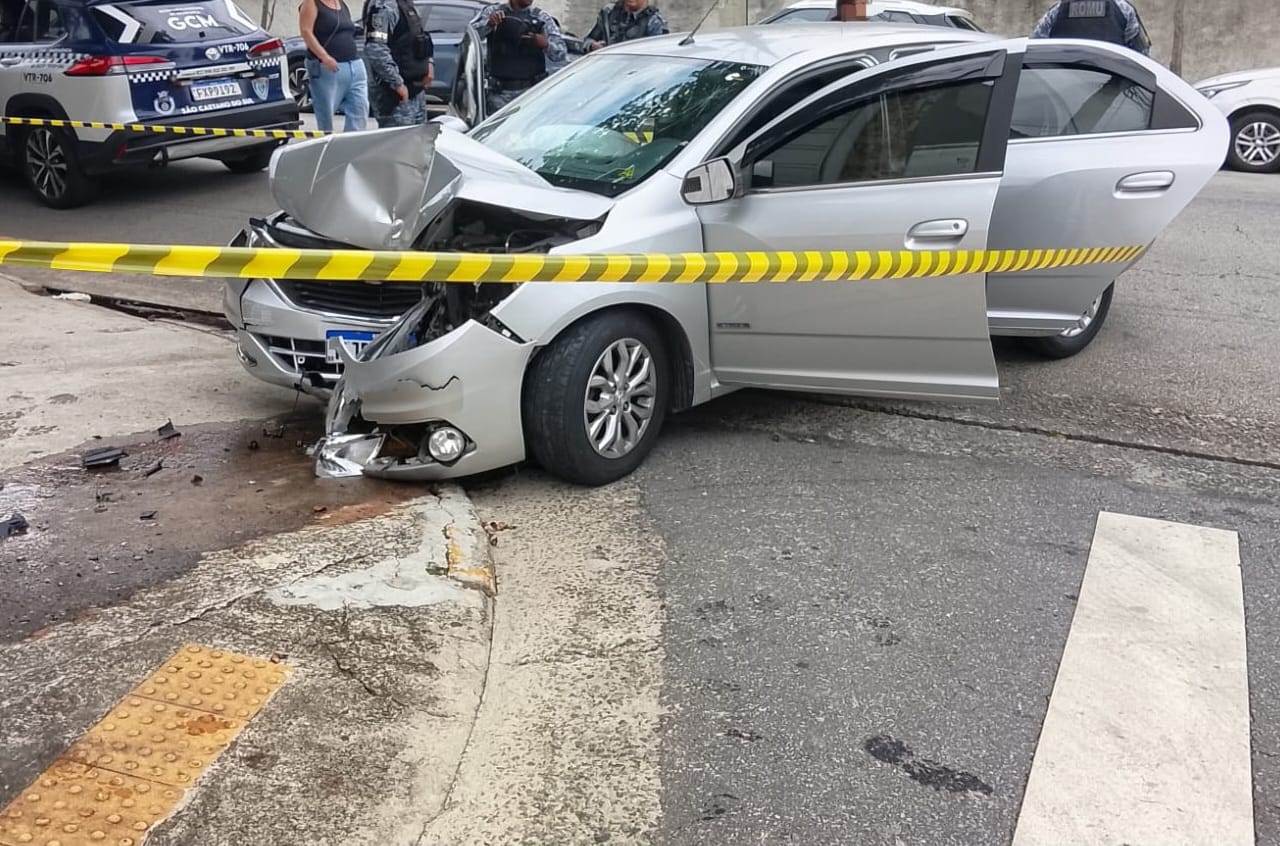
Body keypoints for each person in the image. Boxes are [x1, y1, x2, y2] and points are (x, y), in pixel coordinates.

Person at [471, 0, 566, 112]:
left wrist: (545, 44)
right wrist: (489, 25)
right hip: (499, 94)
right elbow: (472, 37)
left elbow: (560, 53)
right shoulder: (493, 12)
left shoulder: (541, 18)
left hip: (532, 94)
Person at [362, 0, 435, 127]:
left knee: (418, 138)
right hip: (395, 96)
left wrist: (429, 63)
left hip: (416, 90)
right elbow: (375, 49)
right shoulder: (384, 6)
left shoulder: (406, 4)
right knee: (399, 138)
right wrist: (397, 84)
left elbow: (420, 38)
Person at [299, 0, 368, 132]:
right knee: (326, 115)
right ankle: (327, 141)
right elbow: (306, 31)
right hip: (328, 68)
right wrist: (324, 56)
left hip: (354, 64)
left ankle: (352, 143)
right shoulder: (312, 3)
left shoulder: (341, 4)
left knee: (359, 110)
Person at [1031, 0, 1151, 54]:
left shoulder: (1056, 11)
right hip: (1111, 89)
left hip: (1062, 91)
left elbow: (1033, 51)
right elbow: (1142, 57)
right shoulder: (1124, 10)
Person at [580, 0, 668, 52]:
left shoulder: (655, 21)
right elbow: (587, 40)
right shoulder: (609, 13)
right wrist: (593, 46)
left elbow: (659, 56)